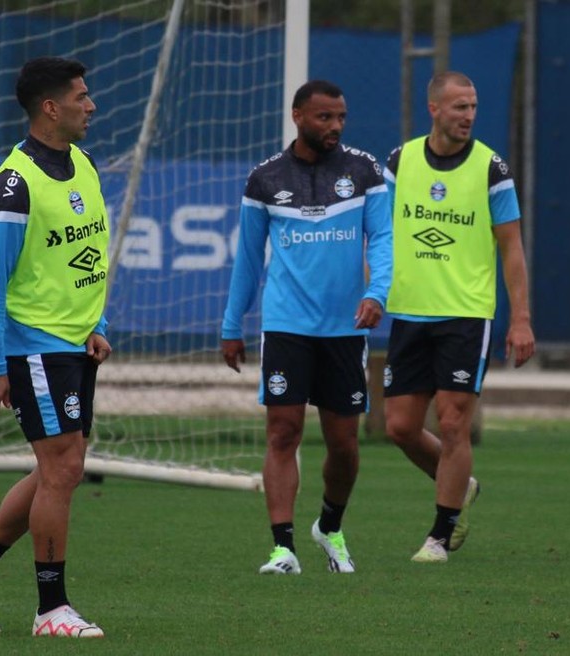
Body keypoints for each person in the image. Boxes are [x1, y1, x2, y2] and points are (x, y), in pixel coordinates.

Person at [0, 57, 111, 637]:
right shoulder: (14, 183)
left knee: (60, 467)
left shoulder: (82, 162)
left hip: (73, 343)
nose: (91, 105)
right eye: (81, 96)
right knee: (62, 468)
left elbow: (80, 254)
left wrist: (94, 322)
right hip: (32, 345)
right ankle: (51, 610)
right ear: (50, 108)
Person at [221, 79, 392, 575]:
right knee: (283, 432)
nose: (335, 126)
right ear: (298, 116)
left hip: (345, 327)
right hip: (286, 325)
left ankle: (330, 526)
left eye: (340, 117)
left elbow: (382, 239)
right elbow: (248, 261)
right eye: (324, 117)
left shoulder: (365, 171)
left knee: (344, 443)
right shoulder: (265, 179)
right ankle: (282, 547)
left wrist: (375, 293)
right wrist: (233, 326)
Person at [382, 71, 535, 563]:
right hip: (408, 310)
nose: (468, 116)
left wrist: (521, 319)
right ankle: (460, 487)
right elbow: (380, 235)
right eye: (459, 107)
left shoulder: (492, 169)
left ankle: (440, 535)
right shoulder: (400, 161)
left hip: (466, 314)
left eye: (473, 107)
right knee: (400, 427)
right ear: (434, 109)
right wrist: (369, 290)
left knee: (452, 424)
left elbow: (511, 248)